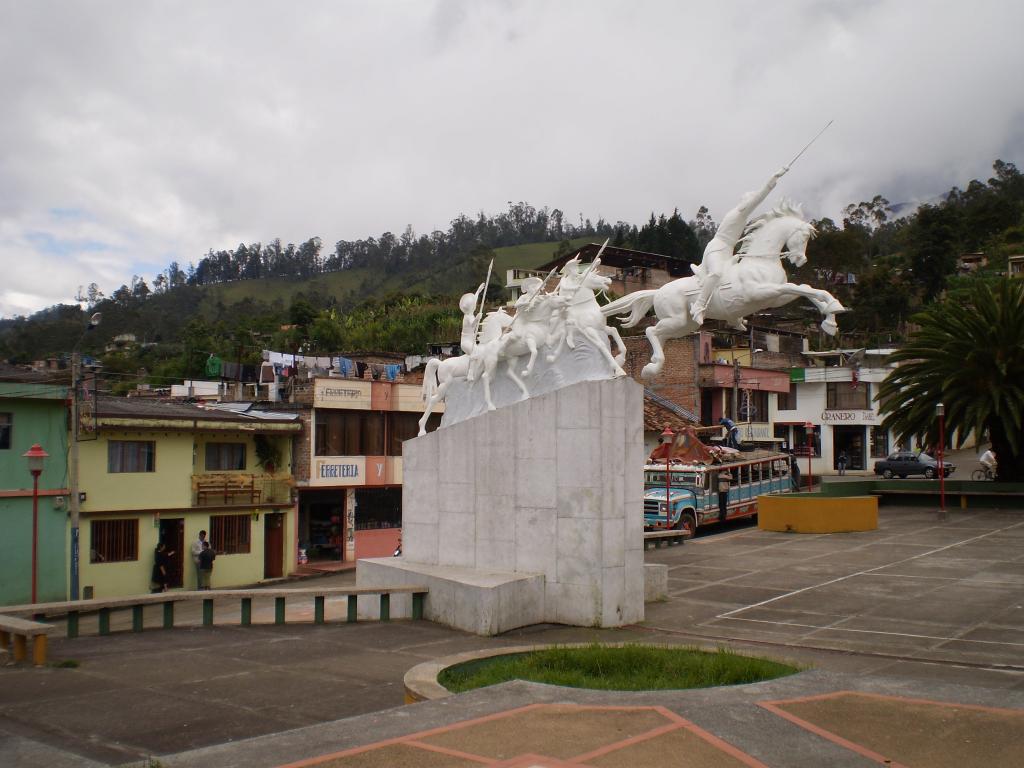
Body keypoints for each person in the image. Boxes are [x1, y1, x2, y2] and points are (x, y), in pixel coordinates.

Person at [690, 166, 789, 326]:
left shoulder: (741, 214)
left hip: (727, 250)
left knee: (733, 278)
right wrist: (772, 180)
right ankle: (699, 305)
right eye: (750, 201)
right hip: (717, 248)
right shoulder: (739, 212)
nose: (752, 203)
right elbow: (759, 197)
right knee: (716, 273)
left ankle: (732, 315)